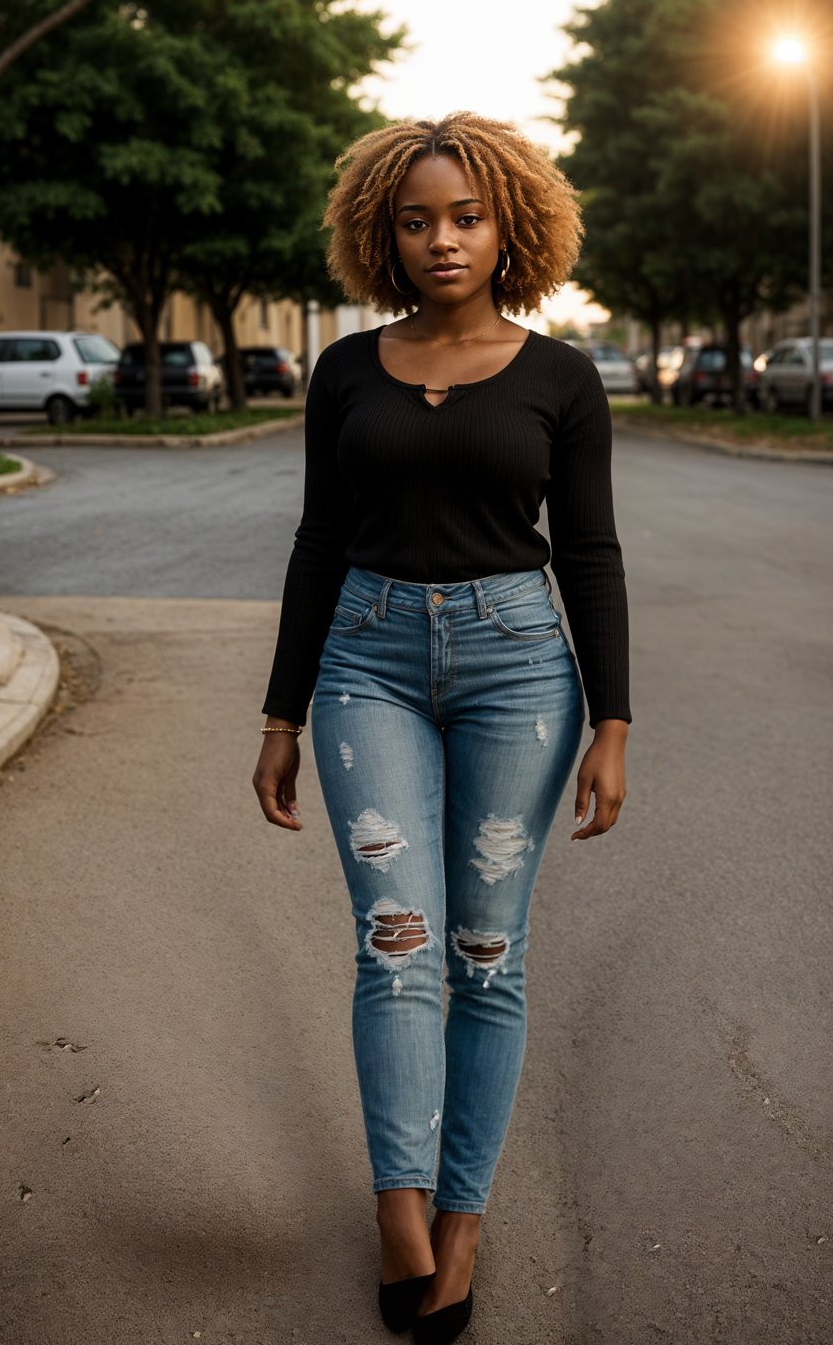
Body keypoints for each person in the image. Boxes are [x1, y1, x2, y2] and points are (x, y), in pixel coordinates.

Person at [253, 112, 630, 1344]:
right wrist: (282, 711)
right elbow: (317, 541)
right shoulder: (347, 369)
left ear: (508, 225)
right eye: (416, 220)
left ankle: (462, 1223)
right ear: (383, 232)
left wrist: (611, 722)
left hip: (519, 671)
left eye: (464, 216)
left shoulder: (560, 378)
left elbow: (587, 552)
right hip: (365, 662)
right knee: (398, 943)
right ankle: (397, 1208)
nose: (441, 240)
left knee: (483, 952)